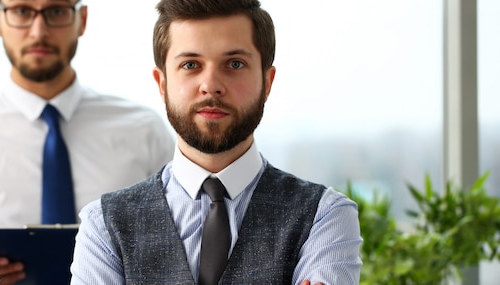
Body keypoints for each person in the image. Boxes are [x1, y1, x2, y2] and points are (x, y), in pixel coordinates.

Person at [70, 0, 362, 284]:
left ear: (267, 82)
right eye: (190, 64)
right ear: (162, 83)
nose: (211, 85)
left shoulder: (326, 217)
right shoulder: (103, 226)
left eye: (234, 63)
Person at [0, 0, 175, 284]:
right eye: (22, 11)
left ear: (82, 19)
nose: (39, 31)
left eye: (56, 11)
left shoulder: (144, 131)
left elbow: (182, 244)